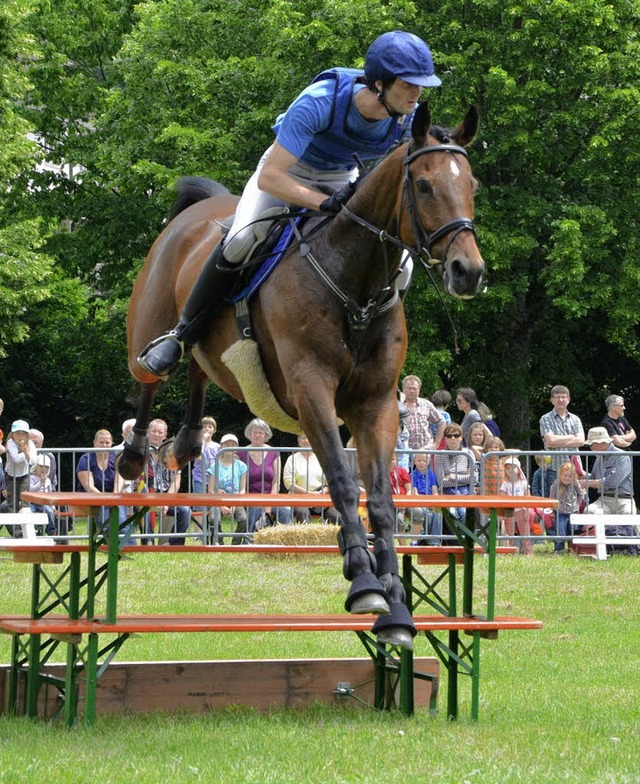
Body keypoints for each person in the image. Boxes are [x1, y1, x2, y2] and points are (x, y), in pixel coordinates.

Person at [137, 31, 442, 379]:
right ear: (378, 83)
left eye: (420, 85)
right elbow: (271, 177)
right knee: (239, 241)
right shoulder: (320, 101)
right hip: (287, 172)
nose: (417, 93)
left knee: (402, 263)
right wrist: (323, 202)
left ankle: (372, 346)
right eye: (409, 84)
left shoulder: (406, 116)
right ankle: (182, 336)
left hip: (341, 176)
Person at [582, 426, 637, 553]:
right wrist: (580, 474)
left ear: (602, 443)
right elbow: (594, 477)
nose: (591, 448)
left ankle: (632, 547)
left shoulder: (622, 457)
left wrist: (587, 483)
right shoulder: (599, 458)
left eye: (592, 444)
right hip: (604, 499)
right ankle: (605, 546)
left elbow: (612, 482)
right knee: (589, 511)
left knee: (629, 515)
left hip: (623, 499)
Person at [238, 418, 292, 533]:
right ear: (250, 434)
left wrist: (270, 502)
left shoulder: (274, 452)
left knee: (285, 510)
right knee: (256, 507)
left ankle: (284, 541)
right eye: (255, 432)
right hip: (249, 497)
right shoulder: (240, 453)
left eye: (261, 432)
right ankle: (251, 540)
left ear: (266, 435)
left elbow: (276, 482)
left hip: (270, 496)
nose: (257, 435)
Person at [145, 418, 191, 545]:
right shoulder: (140, 452)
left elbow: (175, 481)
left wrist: (165, 500)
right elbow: (138, 481)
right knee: (143, 509)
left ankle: (174, 544)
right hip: (145, 494)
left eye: (160, 432)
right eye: (154, 431)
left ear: (165, 435)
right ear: (147, 432)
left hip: (166, 494)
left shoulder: (172, 453)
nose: (156, 434)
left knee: (185, 510)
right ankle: (148, 543)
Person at [282, 433, 337, 523]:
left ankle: (338, 537)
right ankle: (305, 537)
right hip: (299, 498)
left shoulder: (322, 458)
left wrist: (324, 491)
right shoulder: (292, 458)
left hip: (320, 497)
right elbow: (289, 483)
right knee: (302, 512)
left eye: (309, 438)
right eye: (303, 438)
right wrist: (309, 493)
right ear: (299, 441)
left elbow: (330, 481)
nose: (306, 440)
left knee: (335, 515)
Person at [432, 424, 475, 533]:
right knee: (451, 513)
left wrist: (451, 476)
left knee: (464, 513)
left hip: (466, 493)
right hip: (447, 493)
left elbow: (473, 478)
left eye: (456, 435)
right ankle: (455, 540)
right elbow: (441, 482)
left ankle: (463, 541)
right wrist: (464, 477)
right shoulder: (439, 455)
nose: (453, 439)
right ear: (445, 438)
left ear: (461, 437)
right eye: (449, 436)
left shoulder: (469, 453)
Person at [207, 433, 248, 544]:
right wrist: (221, 506)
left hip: (236, 500)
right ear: (221, 446)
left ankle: (236, 544)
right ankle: (218, 542)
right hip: (218, 500)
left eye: (233, 444)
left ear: (237, 447)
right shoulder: (214, 466)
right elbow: (211, 490)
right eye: (227, 444)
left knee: (244, 519)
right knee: (213, 519)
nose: (230, 446)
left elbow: (242, 490)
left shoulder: (242, 466)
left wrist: (235, 504)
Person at [539, 385, 585, 479]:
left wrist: (556, 441)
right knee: (554, 494)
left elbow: (581, 441)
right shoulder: (545, 419)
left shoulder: (575, 419)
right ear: (552, 400)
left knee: (576, 494)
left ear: (568, 399)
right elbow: (551, 441)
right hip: (554, 469)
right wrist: (572, 437)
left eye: (563, 397)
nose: (560, 400)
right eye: (557, 397)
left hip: (574, 468)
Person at [76, 429, 117, 527]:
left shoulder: (116, 458)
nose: (104, 445)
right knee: (110, 517)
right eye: (101, 442)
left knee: (120, 515)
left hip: (113, 499)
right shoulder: (86, 459)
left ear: (112, 443)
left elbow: (119, 483)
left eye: (107, 442)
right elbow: (88, 486)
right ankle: (121, 540)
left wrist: (114, 499)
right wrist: (105, 499)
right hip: (91, 498)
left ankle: (127, 541)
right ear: (94, 443)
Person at [401, 375, 445, 456]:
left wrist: (436, 443)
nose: (412, 391)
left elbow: (441, 422)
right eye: (409, 388)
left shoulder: (426, 404)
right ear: (403, 389)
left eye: (414, 389)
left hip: (425, 450)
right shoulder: (398, 406)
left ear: (419, 390)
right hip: (404, 452)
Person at [549, 461, 584, 554]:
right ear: (560, 475)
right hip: (560, 511)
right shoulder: (556, 483)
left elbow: (580, 494)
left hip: (573, 510)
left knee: (573, 530)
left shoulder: (575, 483)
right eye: (565, 475)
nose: (567, 478)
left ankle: (572, 549)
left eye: (570, 476)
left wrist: (577, 505)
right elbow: (551, 497)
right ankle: (559, 549)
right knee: (561, 530)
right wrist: (554, 507)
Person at [499, 456, 532, 555]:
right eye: (507, 468)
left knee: (525, 532)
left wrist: (527, 511)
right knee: (510, 533)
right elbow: (502, 499)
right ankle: (511, 551)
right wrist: (502, 513)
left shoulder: (523, 483)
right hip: (509, 511)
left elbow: (528, 498)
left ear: (518, 469)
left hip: (521, 510)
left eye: (513, 467)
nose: (510, 470)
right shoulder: (505, 484)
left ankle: (528, 552)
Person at [4, 420, 38, 516]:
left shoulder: (30, 444)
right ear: (12, 434)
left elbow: (33, 461)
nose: (20, 437)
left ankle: (24, 528)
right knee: (12, 503)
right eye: (17, 434)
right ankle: (16, 529)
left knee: (25, 501)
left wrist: (27, 453)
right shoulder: (10, 442)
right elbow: (15, 459)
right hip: (11, 476)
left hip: (24, 475)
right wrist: (26, 452)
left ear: (27, 435)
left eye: (23, 434)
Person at [409, 452, 442, 545]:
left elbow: (435, 491)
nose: (421, 463)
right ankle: (425, 538)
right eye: (419, 460)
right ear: (414, 462)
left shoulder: (431, 475)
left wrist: (433, 502)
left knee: (437, 514)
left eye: (424, 460)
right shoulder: (412, 475)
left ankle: (435, 541)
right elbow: (415, 493)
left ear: (428, 462)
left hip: (430, 501)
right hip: (419, 501)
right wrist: (425, 502)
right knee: (427, 514)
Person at [28, 454, 57, 536]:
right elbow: (31, 490)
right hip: (32, 502)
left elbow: (50, 493)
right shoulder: (32, 478)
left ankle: (51, 530)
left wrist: (52, 505)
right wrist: (40, 483)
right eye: (41, 466)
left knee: (50, 512)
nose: (44, 469)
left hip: (43, 503)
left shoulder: (47, 480)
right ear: (35, 466)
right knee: (30, 513)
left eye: (47, 467)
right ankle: (33, 530)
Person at [390, 454, 412, 532]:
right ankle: (402, 544)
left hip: (405, 501)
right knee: (399, 519)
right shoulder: (380, 474)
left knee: (418, 512)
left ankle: (414, 541)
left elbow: (409, 490)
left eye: (393, 459)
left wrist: (404, 502)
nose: (390, 462)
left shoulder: (402, 471)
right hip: (391, 505)